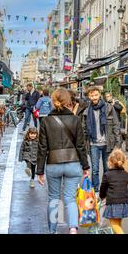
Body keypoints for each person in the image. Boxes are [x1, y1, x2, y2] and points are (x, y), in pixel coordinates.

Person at [36, 88, 90, 234]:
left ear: (53, 102)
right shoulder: (75, 120)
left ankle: (53, 230)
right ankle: (73, 228)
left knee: (54, 198)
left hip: (53, 164)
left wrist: (39, 171)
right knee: (70, 198)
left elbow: (42, 147)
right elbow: (81, 145)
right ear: (68, 102)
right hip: (73, 164)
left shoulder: (46, 121)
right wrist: (86, 166)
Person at [84, 86, 121, 194]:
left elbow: (116, 125)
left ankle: (106, 191)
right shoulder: (87, 111)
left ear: (99, 95)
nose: (94, 97)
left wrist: (118, 142)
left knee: (107, 169)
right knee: (95, 170)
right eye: (92, 95)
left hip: (107, 143)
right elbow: (84, 129)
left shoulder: (109, 108)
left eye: (96, 95)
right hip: (93, 143)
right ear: (89, 97)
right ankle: (95, 191)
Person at [99, 149, 128, 234]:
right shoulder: (126, 174)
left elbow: (103, 188)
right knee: (118, 224)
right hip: (124, 202)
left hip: (113, 202)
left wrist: (101, 196)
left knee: (113, 224)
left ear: (110, 162)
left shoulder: (107, 175)